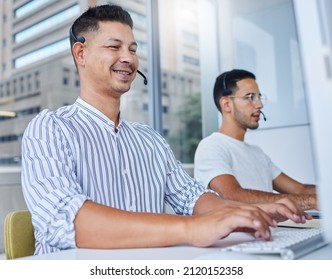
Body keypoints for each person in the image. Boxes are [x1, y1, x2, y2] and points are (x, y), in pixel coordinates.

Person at [21, 6, 308, 255]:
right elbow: (67, 221)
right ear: (81, 53)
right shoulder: (51, 129)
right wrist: (192, 229)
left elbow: (192, 198)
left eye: (133, 49)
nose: (129, 58)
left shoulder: (150, 140)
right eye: (114, 47)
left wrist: (241, 212)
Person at [194, 69, 317, 211]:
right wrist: (311, 202)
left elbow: (299, 189)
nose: (259, 105)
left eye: (259, 97)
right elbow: (232, 195)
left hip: (272, 232)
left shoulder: (257, 153)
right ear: (227, 104)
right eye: (250, 97)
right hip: (238, 234)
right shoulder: (211, 147)